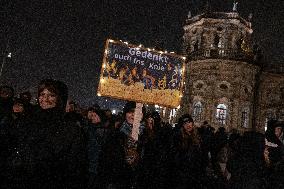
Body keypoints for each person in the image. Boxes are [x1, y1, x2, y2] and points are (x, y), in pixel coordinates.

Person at [9, 79, 88, 189]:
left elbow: (75, 166)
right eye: (42, 94)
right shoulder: (29, 120)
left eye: (51, 95)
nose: (44, 99)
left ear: (60, 99)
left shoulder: (70, 129)